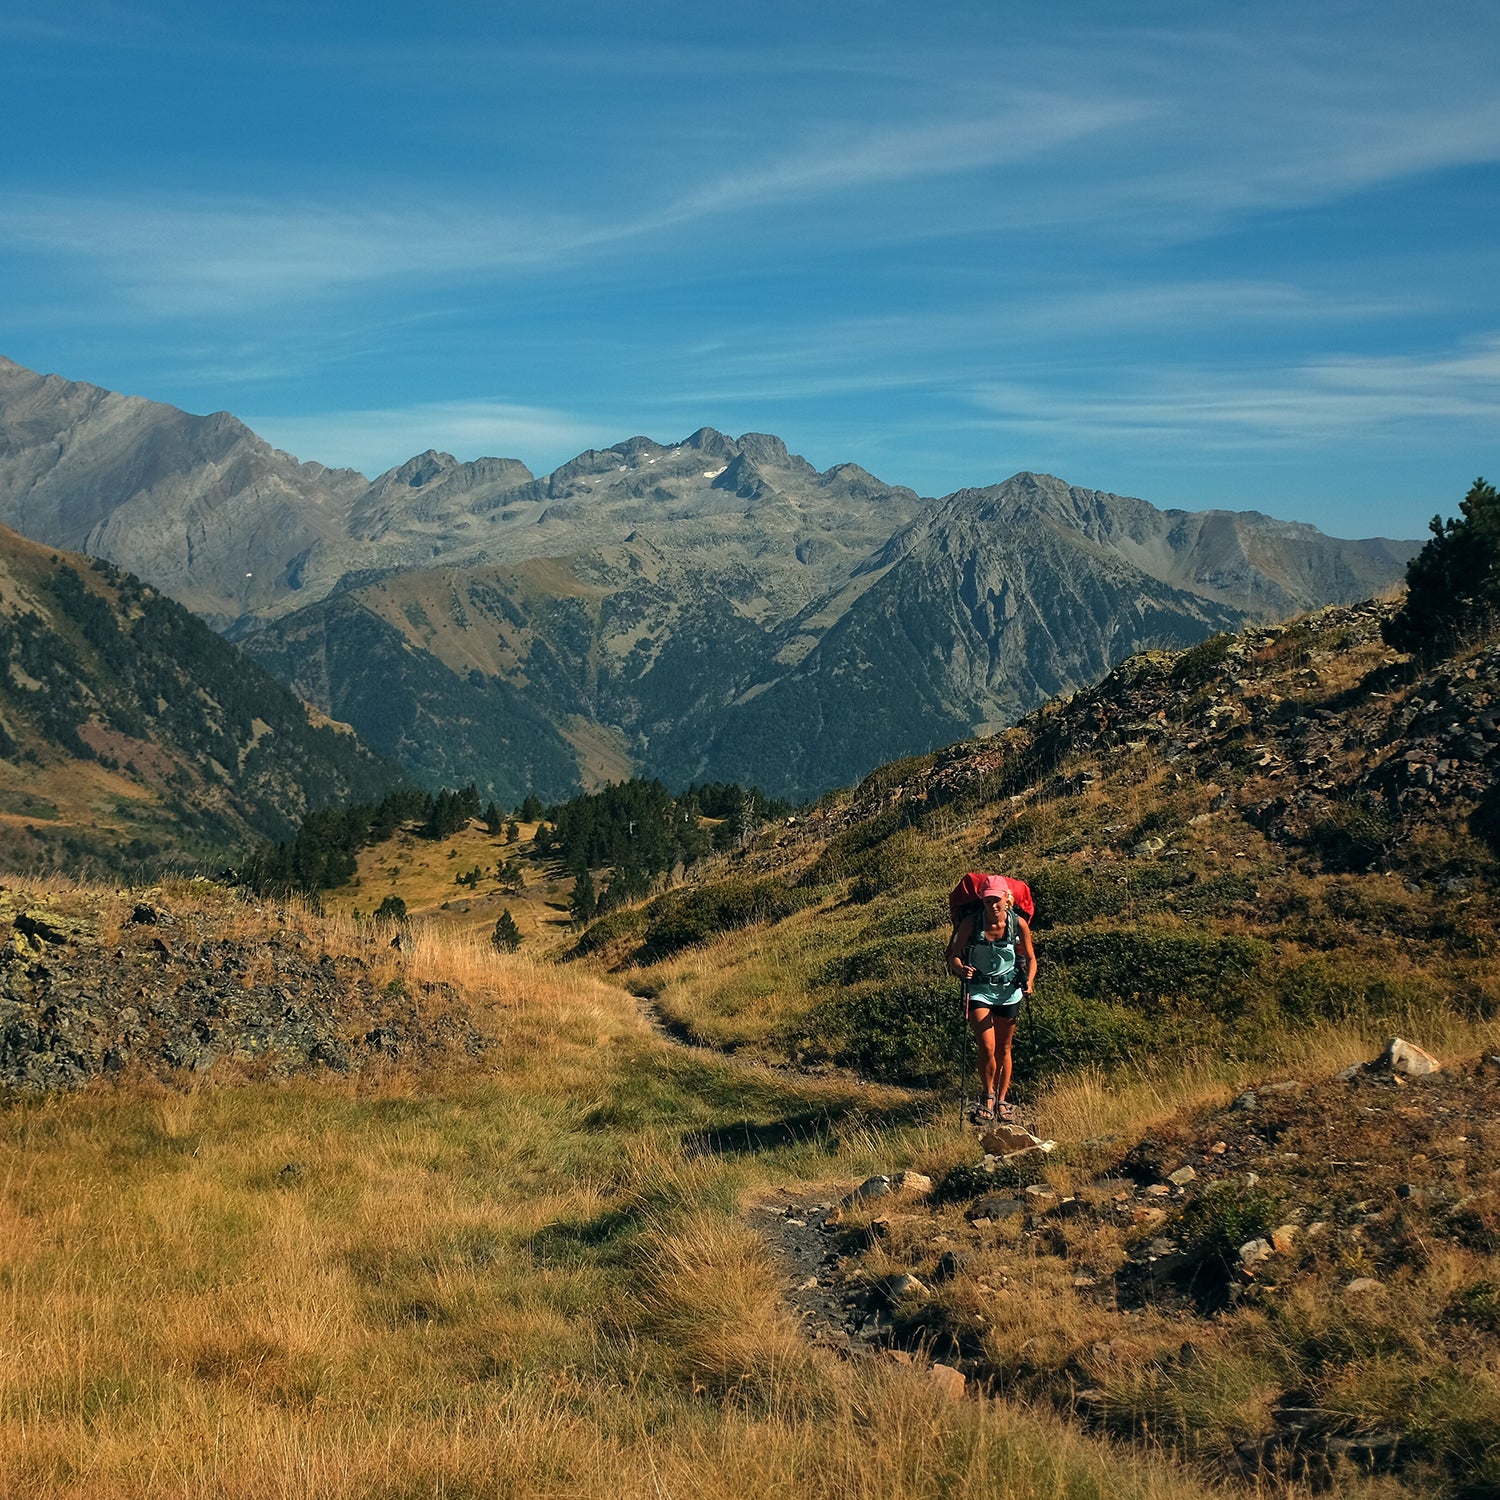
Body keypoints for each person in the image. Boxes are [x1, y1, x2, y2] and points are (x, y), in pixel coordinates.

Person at [944, 879, 1036, 1123]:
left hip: (1009, 991)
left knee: (1004, 1048)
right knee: (987, 1047)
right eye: (988, 899)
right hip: (979, 991)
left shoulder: (1019, 924)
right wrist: (960, 969)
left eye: (996, 899)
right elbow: (953, 956)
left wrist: (1030, 980)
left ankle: (1002, 1099)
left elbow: (1031, 957)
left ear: (1007, 898)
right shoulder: (970, 923)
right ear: (982, 900)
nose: (992, 904)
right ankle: (988, 1095)